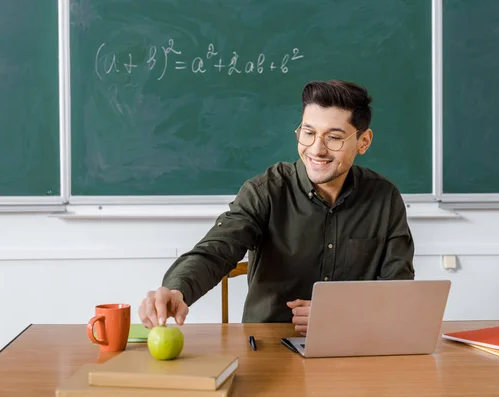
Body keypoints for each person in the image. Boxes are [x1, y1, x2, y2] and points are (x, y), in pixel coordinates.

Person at [139, 79, 415, 335]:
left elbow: (399, 292)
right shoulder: (266, 191)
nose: (316, 149)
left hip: (354, 343)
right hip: (268, 346)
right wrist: (176, 289)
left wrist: (340, 314)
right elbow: (216, 251)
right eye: (308, 132)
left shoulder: (384, 198)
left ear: (363, 141)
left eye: (333, 137)